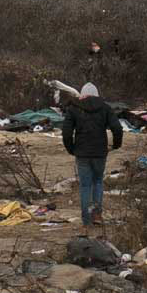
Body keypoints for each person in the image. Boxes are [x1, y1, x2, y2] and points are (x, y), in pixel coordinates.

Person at [60, 81, 122, 227]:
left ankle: (86, 220)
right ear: (97, 94)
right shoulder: (105, 108)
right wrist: (116, 145)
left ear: (81, 94)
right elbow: (117, 128)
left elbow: (66, 133)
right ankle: (97, 215)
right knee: (98, 182)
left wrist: (71, 149)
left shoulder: (74, 109)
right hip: (100, 152)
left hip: (82, 152)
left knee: (85, 185)